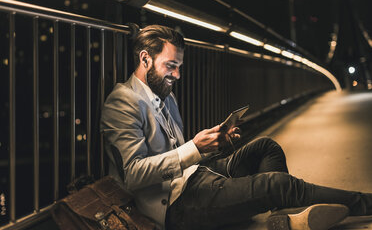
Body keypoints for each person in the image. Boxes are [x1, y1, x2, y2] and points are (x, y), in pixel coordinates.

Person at [101, 25, 372, 230]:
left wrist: (215, 143)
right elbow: (132, 175)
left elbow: (180, 156)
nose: (177, 75)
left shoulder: (166, 94)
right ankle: (364, 202)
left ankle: (281, 218)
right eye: (171, 66)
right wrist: (194, 148)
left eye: (179, 67)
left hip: (197, 177)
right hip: (175, 206)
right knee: (275, 182)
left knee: (266, 146)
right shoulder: (122, 103)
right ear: (145, 58)